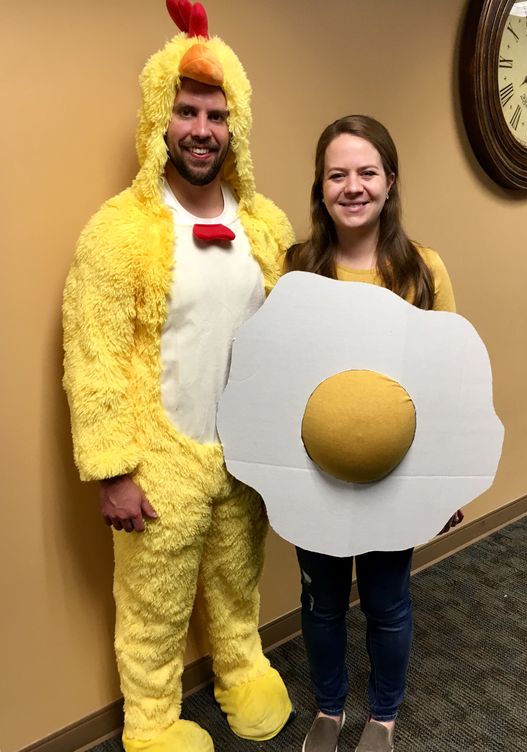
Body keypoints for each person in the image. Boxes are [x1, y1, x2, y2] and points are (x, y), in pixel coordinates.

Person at [62, 4, 293, 752]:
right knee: (153, 607)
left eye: (216, 114)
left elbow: (294, 337)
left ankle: (242, 669)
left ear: (237, 125)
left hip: (245, 455)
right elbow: (90, 355)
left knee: (238, 584)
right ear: (161, 117)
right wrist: (112, 471)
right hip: (161, 458)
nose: (201, 128)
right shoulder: (118, 232)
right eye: (187, 111)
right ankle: (153, 720)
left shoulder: (268, 228)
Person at [283, 115, 463, 752]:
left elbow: (447, 384)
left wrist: (445, 485)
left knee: (387, 600)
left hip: (399, 476)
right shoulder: (297, 268)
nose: (352, 187)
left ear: (390, 182)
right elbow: (277, 379)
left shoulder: (422, 269)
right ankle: (329, 709)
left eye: (367, 172)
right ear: (321, 186)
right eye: (338, 174)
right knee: (323, 602)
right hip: (316, 475)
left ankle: (382, 717)